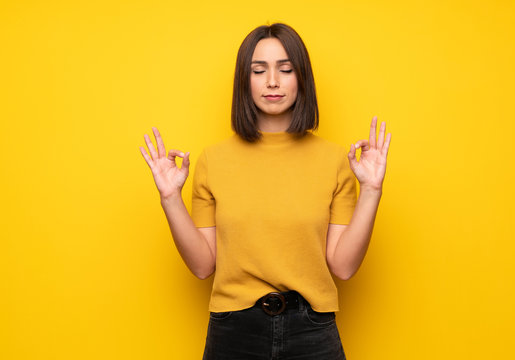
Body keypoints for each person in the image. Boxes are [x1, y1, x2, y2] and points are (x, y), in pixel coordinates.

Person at [140, 22, 391, 360]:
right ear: (245, 80)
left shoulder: (335, 160)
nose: (272, 81)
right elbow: (202, 266)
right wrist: (170, 198)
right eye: (259, 70)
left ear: (301, 78)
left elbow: (343, 267)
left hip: (312, 332)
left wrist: (371, 189)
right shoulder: (213, 160)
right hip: (234, 331)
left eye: (285, 69)